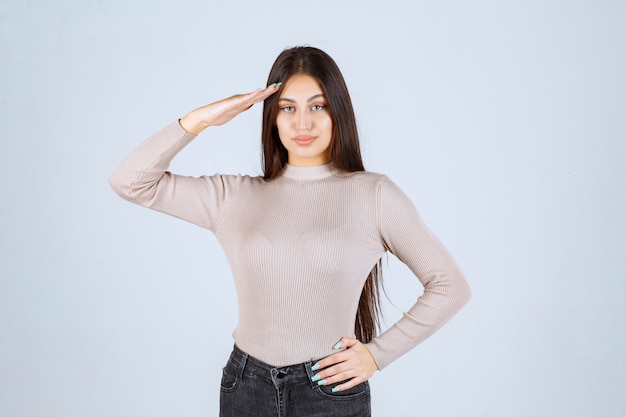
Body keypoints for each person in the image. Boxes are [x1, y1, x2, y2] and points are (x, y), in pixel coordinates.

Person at [110, 46, 470, 417]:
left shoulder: (374, 195)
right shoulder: (233, 196)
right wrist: (202, 119)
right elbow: (129, 182)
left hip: (328, 391)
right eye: (288, 108)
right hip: (245, 387)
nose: (303, 124)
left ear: (338, 113)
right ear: (272, 118)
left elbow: (449, 285)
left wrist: (376, 356)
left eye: (318, 106)